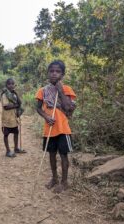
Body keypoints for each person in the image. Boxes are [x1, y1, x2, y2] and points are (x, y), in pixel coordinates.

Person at [35, 60, 76, 193]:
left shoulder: (67, 89)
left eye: (57, 71)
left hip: (63, 129)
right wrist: (46, 117)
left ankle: (64, 182)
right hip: (49, 129)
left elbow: (69, 108)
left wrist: (61, 91)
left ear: (62, 75)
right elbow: (38, 108)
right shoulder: (43, 91)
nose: (54, 74)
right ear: (48, 73)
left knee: (63, 155)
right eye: (51, 71)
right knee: (51, 155)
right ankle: (54, 178)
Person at [1, 78, 26, 158]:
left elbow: (20, 103)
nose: (11, 85)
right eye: (9, 84)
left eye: (12, 84)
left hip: (14, 118)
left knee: (16, 132)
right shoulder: (4, 95)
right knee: (6, 134)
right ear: (6, 85)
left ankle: (16, 148)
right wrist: (16, 105)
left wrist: (17, 94)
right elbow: (6, 107)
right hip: (7, 118)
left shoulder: (14, 95)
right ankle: (8, 151)